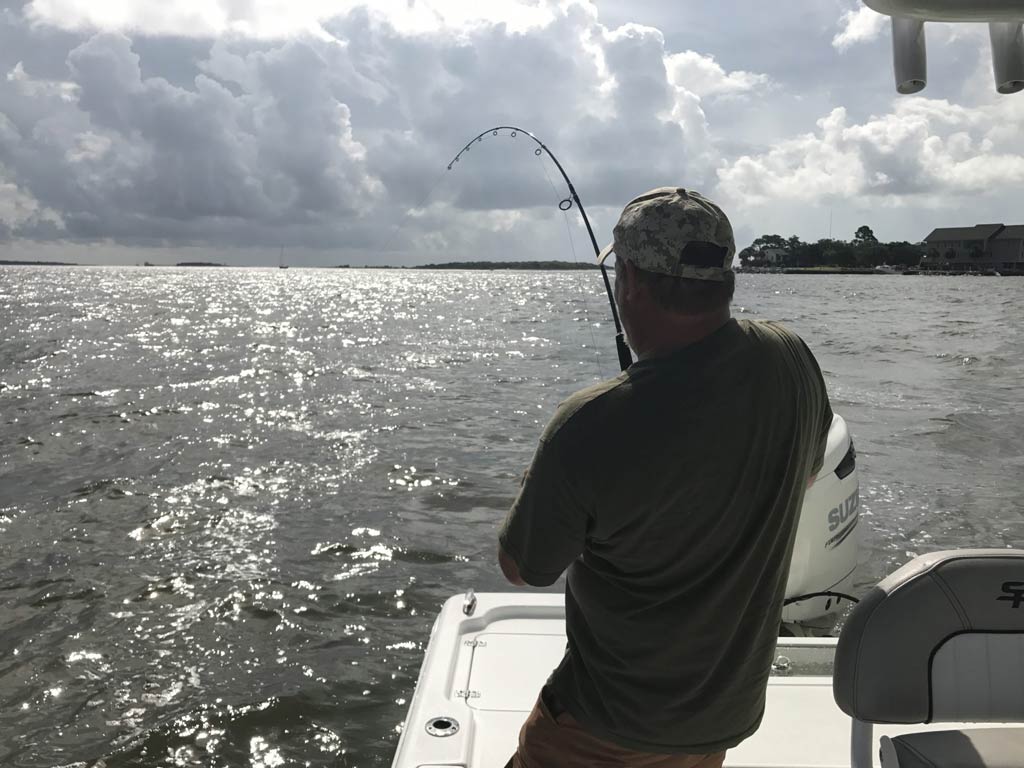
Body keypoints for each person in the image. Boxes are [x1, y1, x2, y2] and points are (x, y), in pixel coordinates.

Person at [497, 187, 833, 768]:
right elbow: (807, 470)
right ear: (723, 277)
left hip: (602, 726)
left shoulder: (588, 425)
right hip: (720, 718)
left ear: (629, 280)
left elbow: (523, 568)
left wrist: (549, 470)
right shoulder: (791, 358)